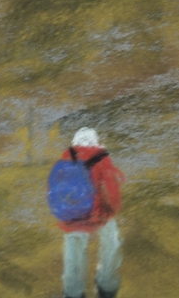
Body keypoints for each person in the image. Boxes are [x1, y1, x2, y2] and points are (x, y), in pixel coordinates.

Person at [48, 127, 125, 298]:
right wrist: (112, 210)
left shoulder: (65, 157)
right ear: (95, 141)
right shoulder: (102, 158)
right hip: (98, 216)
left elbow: (54, 189)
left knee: (73, 252)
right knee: (111, 243)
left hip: (71, 216)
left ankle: (72, 291)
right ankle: (107, 285)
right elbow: (112, 190)